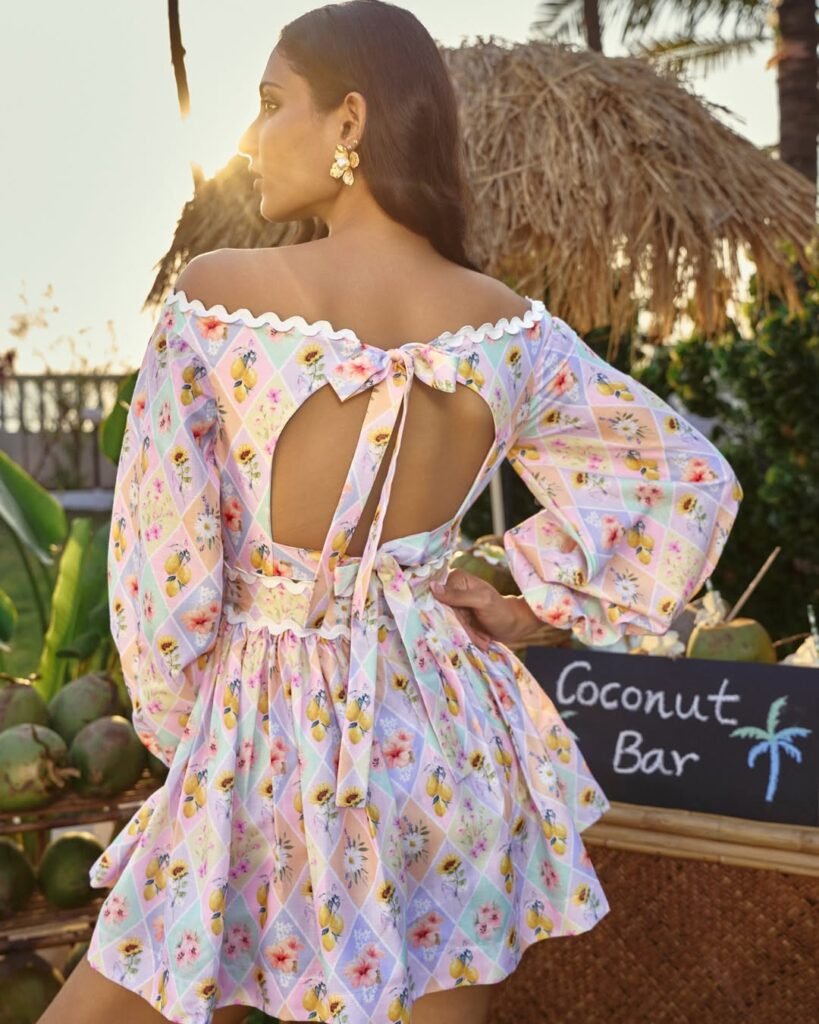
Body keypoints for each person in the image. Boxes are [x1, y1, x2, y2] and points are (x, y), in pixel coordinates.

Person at [38, 3, 742, 1024]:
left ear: (350, 123)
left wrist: (187, 732)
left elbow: (162, 564)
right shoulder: (507, 328)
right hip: (447, 738)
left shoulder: (221, 301)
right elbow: (682, 479)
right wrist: (528, 601)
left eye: (274, 103)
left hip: (259, 736)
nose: (252, 136)